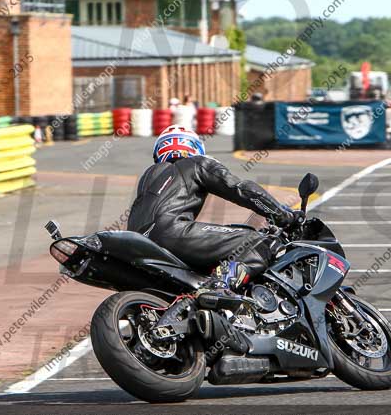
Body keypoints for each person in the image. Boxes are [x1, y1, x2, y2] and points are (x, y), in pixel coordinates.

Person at [126, 125, 296, 296]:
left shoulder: (147, 177)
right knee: (257, 241)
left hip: (137, 242)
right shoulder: (196, 163)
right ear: (195, 148)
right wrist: (282, 215)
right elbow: (241, 189)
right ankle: (220, 288)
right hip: (171, 232)